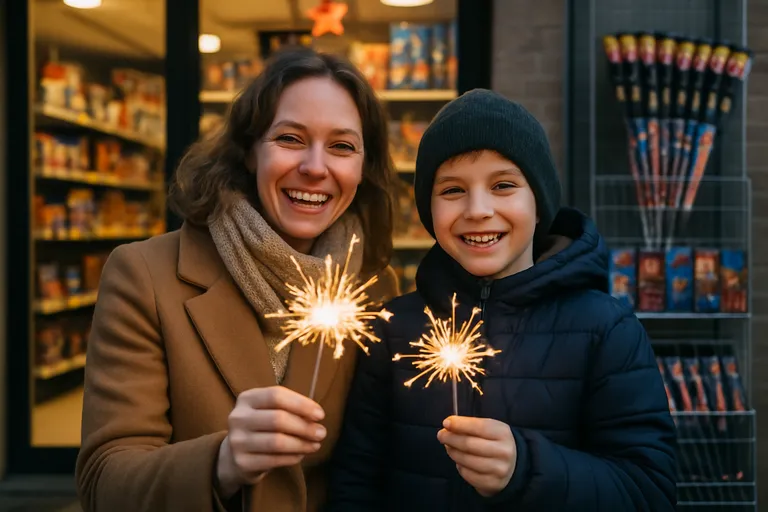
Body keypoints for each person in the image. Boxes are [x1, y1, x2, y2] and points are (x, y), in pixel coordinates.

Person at [75, 47, 400, 512]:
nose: (314, 166)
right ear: (249, 151)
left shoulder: (375, 287)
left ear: (363, 167)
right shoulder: (145, 275)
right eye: (290, 138)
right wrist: (222, 462)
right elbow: (104, 484)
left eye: (342, 146)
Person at [326, 89, 678, 511]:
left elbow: (649, 492)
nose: (478, 209)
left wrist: (527, 469)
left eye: (503, 185)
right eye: (453, 190)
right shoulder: (392, 328)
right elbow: (355, 485)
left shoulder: (606, 328)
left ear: (539, 200)